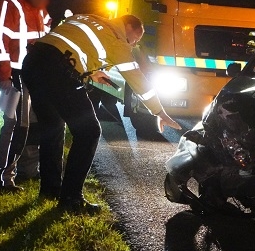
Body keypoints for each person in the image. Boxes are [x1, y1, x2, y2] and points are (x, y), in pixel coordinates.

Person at [21, 14, 181, 214]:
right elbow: (137, 79)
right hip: (57, 69)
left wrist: (91, 73)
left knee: (52, 127)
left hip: (34, 61)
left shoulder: (88, 18)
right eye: (135, 40)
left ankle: (50, 190)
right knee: (89, 132)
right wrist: (158, 111)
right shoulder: (117, 39)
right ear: (129, 28)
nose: (132, 45)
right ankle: (71, 199)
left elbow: (70, 45)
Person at [0, 0, 54, 192]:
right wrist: (4, 75)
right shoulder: (7, 4)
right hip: (16, 74)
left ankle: (29, 170)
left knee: (32, 124)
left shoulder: (38, 8)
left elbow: (46, 36)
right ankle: (2, 178)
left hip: (34, 74)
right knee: (16, 125)